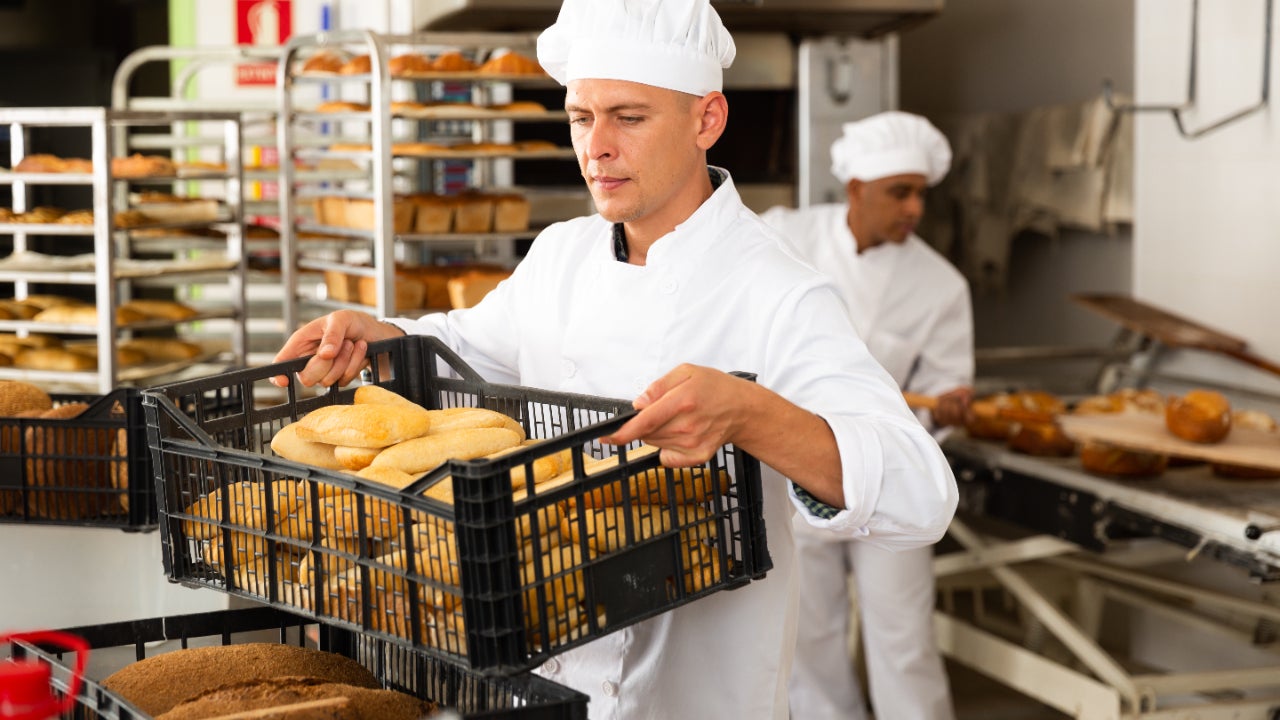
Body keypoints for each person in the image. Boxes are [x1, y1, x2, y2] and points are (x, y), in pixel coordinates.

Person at [272, 2, 958, 717]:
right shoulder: (562, 254)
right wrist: (377, 334)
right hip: (539, 684)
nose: (596, 147)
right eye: (580, 117)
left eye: (629, 117)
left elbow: (922, 494)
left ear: (707, 120)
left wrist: (754, 415)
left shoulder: (778, 291)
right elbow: (468, 348)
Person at [761, 111, 974, 720]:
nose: (914, 209)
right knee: (809, 634)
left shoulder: (941, 285)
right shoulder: (787, 237)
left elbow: (942, 387)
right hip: (797, 461)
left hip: (887, 474)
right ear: (855, 189)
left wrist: (949, 403)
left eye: (919, 194)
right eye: (898, 193)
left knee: (903, 636)